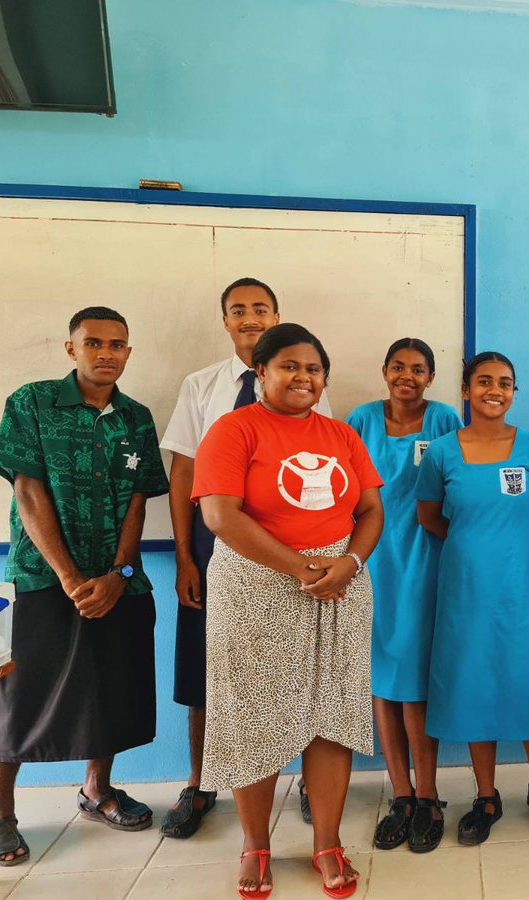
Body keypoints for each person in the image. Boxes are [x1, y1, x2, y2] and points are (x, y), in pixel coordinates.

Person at [192, 323, 384, 900]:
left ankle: (327, 844)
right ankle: (255, 845)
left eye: (314, 369)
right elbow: (221, 517)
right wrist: (302, 570)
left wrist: (347, 562)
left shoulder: (341, 435)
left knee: (333, 714)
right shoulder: (232, 430)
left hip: (339, 587)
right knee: (254, 716)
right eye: (290, 367)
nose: (303, 377)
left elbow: (371, 509)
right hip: (256, 586)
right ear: (261, 373)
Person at [0, 307, 169, 867]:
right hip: (45, 579)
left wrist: (119, 575)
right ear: (72, 349)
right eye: (93, 343)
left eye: (118, 344)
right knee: (18, 696)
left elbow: (138, 500)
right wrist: (70, 577)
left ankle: (97, 790)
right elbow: (28, 492)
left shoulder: (135, 416)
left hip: (118, 583)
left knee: (107, 689)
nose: (106, 353)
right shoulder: (32, 403)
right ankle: (0, 814)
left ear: (129, 352)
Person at [159, 277, 332, 838]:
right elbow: (184, 470)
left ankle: (308, 780)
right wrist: (186, 556)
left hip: (296, 546)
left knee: (304, 665)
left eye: (261, 308)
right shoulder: (203, 386)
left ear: (277, 315)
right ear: (226, 321)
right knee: (209, 665)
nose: (250, 317)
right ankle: (201, 780)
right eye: (239, 310)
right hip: (217, 546)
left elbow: (322, 459)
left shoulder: (306, 380)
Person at [415, 352, 529, 847]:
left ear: (513, 392)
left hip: (525, 589)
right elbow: (428, 517)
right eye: (483, 381)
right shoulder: (442, 451)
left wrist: (525, 552)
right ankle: (486, 797)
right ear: (465, 391)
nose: (495, 389)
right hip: (465, 590)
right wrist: (472, 547)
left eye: (505, 383)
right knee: (474, 683)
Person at [345, 337, 461, 852]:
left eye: (417, 369)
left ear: (430, 377)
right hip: (370, 560)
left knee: (413, 680)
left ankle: (430, 796)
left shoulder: (443, 421)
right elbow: (342, 487)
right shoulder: (361, 420)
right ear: (385, 371)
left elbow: (461, 481)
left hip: (425, 557)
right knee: (381, 679)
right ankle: (401, 794)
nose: (406, 376)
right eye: (398, 367)